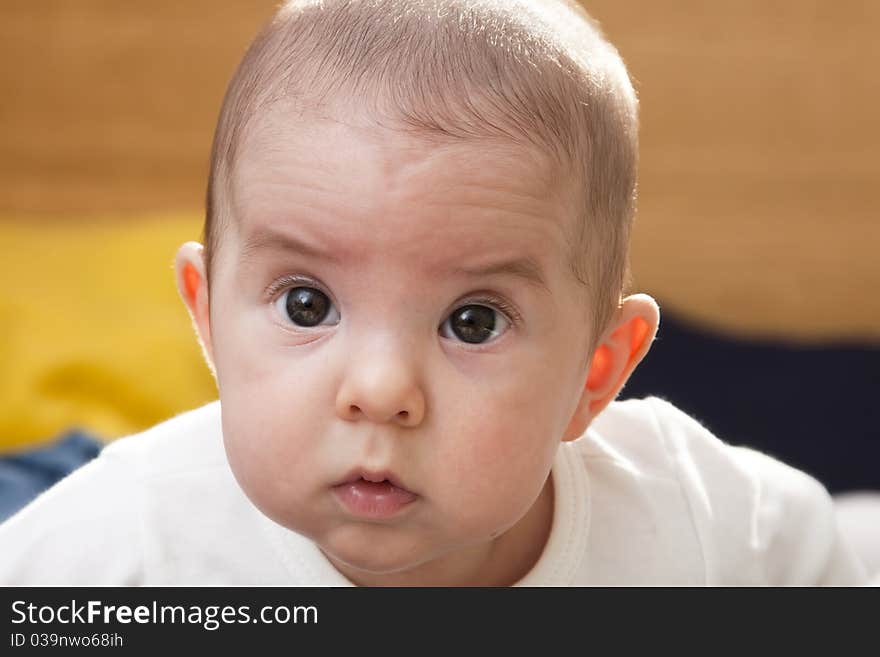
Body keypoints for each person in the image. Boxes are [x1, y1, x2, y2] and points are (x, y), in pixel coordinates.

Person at [0, 0, 867, 586]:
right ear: (208, 319)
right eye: (308, 305)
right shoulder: (113, 554)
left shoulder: (706, 528)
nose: (380, 390)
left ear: (596, 375)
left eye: (473, 321)